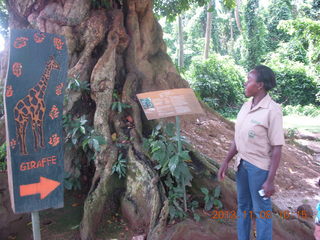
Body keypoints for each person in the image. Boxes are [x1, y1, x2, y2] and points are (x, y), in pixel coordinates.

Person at [218, 65, 285, 240]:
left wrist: (270, 180)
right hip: (241, 165)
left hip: (259, 169)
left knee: (262, 211)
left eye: (249, 80)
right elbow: (237, 138)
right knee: (243, 207)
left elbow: (277, 147)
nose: (245, 83)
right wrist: (226, 161)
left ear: (260, 85)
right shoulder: (246, 106)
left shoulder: (272, 110)